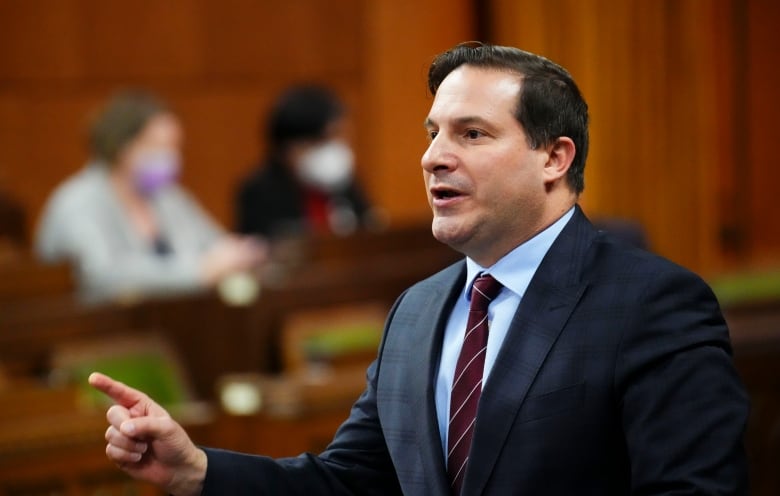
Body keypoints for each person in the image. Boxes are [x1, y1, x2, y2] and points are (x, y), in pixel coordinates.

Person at [90, 43, 749, 495]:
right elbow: (350, 484)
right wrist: (199, 470)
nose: (434, 156)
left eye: (472, 134)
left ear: (554, 158)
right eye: (431, 132)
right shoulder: (418, 312)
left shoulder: (653, 303)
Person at [35, 90, 265, 303]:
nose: (171, 156)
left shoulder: (168, 196)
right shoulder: (77, 202)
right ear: (121, 146)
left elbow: (215, 245)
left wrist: (239, 253)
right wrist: (198, 272)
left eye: (175, 146)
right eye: (157, 145)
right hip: (96, 335)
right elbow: (100, 276)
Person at [235, 85, 377, 239]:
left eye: (340, 136)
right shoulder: (259, 191)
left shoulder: (346, 184)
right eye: (324, 139)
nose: (334, 147)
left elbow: (369, 233)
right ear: (291, 146)